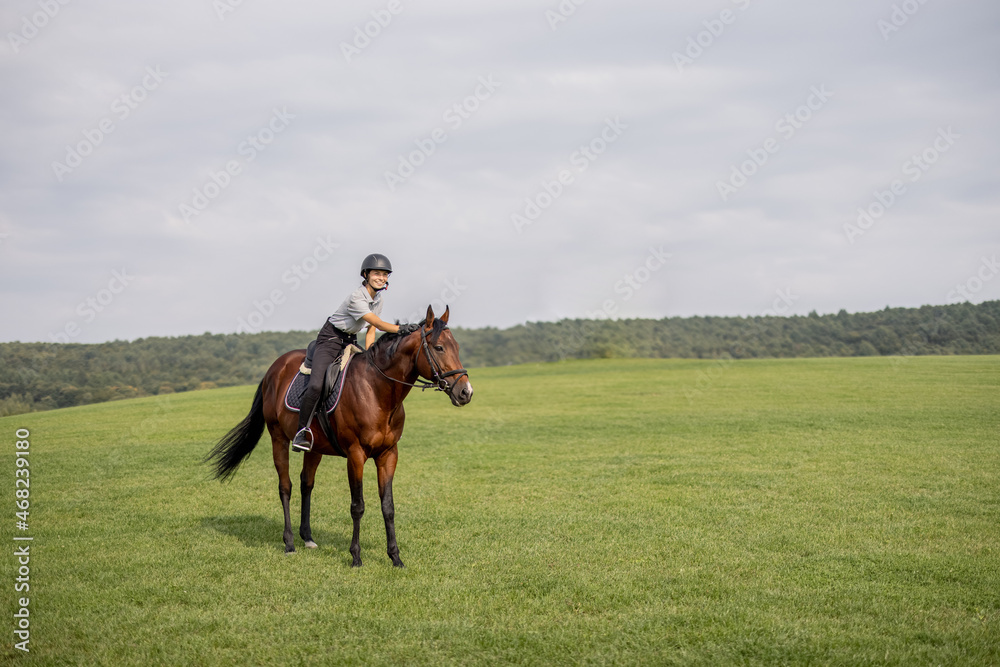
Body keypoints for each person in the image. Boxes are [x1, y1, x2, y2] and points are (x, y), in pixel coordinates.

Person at [290, 253, 418, 452]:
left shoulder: (378, 299)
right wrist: (399, 329)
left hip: (350, 341)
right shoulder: (356, 297)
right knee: (316, 385)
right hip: (330, 340)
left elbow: (371, 330)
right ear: (366, 274)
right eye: (377, 273)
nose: (381, 278)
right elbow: (377, 322)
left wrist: (370, 355)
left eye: (385, 275)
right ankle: (302, 431)